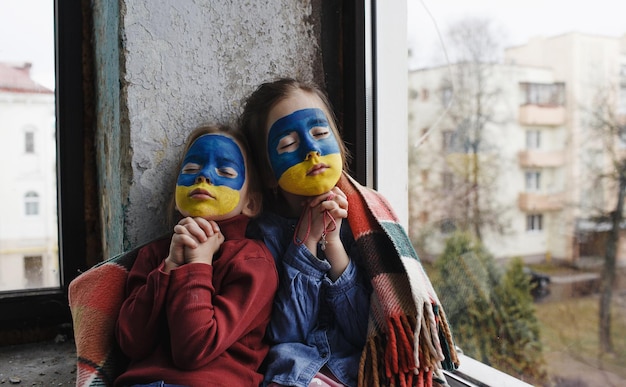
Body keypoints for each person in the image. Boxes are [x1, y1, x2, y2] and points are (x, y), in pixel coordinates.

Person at [240, 78, 458, 387]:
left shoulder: (362, 222)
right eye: (287, 144)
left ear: (339, 147)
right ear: (267, 173)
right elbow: (286, 334)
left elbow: (361, 331)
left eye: (319, 134)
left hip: (358, 373)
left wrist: (332, 243)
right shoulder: (262, 235)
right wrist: (305, 245)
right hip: (297, 375)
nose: (311, 150)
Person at [114, 124, 279, 387]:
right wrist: (168, 268)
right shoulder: (154, 255)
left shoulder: (252, 262)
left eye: (225, 171)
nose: (203, 176)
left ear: (251, 203)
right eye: (191, 169)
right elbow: (130, 343)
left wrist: (198, 264)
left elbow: (193, 350)